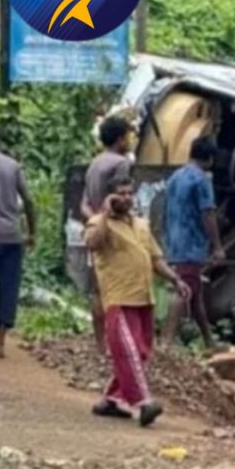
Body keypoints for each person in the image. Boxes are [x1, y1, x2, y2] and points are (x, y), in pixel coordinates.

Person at [85, 177, 191, 427]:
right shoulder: (99, 223)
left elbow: (155, 259)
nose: (126, 198)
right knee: (128, 351)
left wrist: (176, 279)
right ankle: (143, 402)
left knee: (140, 352)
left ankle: (110, 400)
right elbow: (92, 243)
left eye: (130, 193)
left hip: (143, 297)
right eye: (120, 193)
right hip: (119, 299)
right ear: (110, 196)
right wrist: (104, 212)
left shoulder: (142, 225)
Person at [161, 136, 225, 349]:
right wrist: (216, 245)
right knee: (184, 290)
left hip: (174, 241)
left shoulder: (175, 177)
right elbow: (208, 213)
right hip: (191, 244)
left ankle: (208, 339)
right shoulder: (201, 180)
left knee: (194, 292)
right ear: (209, 159)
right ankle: (166, 342)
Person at [81, 116, 134, 354]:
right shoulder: (121, 164)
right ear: (121, 138)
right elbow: (120, 201)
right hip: (114, 231)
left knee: (97, 289)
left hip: (94, 229)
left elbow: (83, 203)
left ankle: (100, 343)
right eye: (128, 136)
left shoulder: (95, 163)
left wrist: (95, 221)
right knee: (118, 289)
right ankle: (117, 342)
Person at [0, 126, 36, 359]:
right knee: (8, 287)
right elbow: (28, 200)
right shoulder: (12, 165)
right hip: (12, 235)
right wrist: (32, 233)